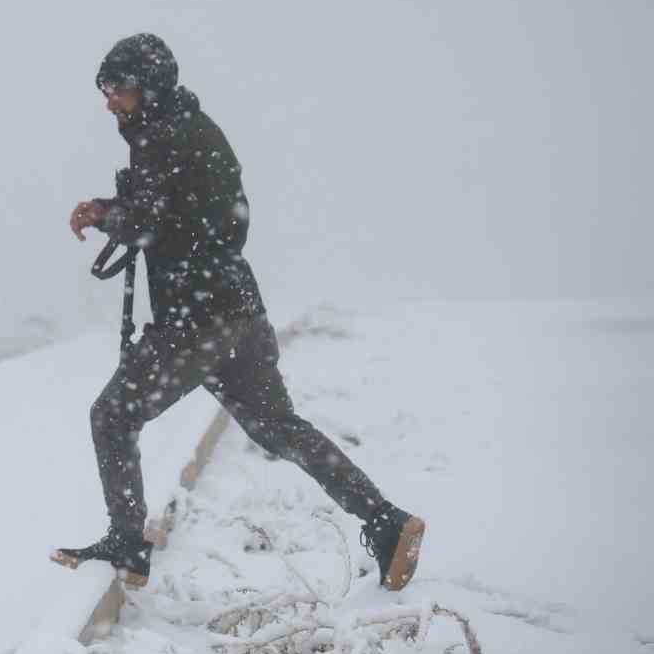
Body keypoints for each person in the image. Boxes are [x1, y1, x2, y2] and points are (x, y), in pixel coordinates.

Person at [54, 33, 425, 591]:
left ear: (147, 88)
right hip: (238, 314)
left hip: (193, 321)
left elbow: (153, 222)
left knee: (112, 417)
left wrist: (106, 215)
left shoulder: (164, 137)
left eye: (117, 89)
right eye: (104, 90)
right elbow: (200, 219)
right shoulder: (196, 132)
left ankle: (128, 543)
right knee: (278, 427)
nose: (109, 101)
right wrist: (120, 211)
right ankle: (387, 521)